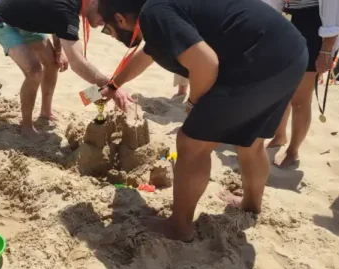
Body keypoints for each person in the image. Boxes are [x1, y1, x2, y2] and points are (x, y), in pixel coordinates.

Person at [97, 0, 308, 241]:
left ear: (120, 19)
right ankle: (250, 204)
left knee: (191, 142)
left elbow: (206, 63)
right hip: (290, 53)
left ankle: (179, 226)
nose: (110, 35)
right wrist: (113, 85)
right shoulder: (163, 10)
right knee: (251, 140)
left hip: (258, 58)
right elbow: (149, 54)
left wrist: (194, 103)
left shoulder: (153, 14)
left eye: (107, 29)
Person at [0, 0, 110, 139]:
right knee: (34, 72)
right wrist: (108, 84)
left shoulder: (70, 9)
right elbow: (77, 62)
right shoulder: (68, 13)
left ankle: (46, 112)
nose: (105, 21)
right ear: (92, 2)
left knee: (53, 63)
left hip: (26, 21)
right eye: (104, 13)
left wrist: (58, 51)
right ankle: (26, 127)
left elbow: (56, 22)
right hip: (2, 20)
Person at [267, 0, 339, 168]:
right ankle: (279, 136)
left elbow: (335, 8)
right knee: (282, 90)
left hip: (315, 25)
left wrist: (327, 49)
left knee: (300, 98)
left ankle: (293, 150)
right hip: (285, 18)